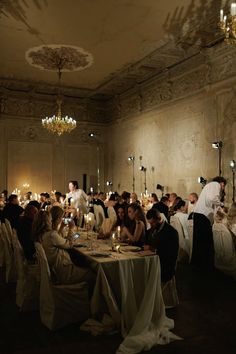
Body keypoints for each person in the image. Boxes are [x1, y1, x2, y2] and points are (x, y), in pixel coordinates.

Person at [32, 207, 95, 293]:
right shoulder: (51, 235)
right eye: (50, 220)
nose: (51, 221)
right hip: (64, 273)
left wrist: (61, 228)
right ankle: (91, 303)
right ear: (46, 222)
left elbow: (58, 240)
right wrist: (71, 228)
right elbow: (69, 244)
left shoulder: (42, 234)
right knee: (94, 273)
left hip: (56, 270)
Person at [191, 176, 227, 270]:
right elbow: (212, 199)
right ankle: (206, 265)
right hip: (203, 215)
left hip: (199, 214)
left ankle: (198, 264)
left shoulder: (209, 186)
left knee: (199, 240)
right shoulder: (215, 185)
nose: (223, 188)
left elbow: (212, 202)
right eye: (223, 185)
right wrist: (222, 204)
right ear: (221, 182)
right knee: (205, 240)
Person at [145, 208, 179, 283]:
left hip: (164, 265)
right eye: (150, 223)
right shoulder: (153, 229)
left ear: (159, 219)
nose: (151, 225)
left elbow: (172, 253)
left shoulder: (171, 232)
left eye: (153, 223)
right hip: (153, 262)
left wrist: (153, 249)